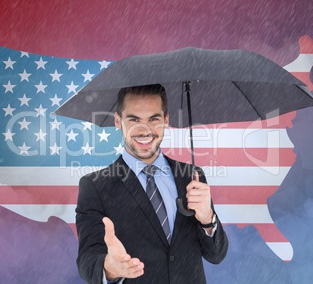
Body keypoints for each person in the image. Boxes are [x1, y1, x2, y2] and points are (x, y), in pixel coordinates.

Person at [76, 84, 228, 284]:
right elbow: (87, 260)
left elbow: (216, 255)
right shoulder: (94, 186)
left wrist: (207, 219)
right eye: (134, 120)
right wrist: (110, 268)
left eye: (153, 119)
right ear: (117, 121)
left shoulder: (192, 177)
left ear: (166, 120)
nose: (144, 130)